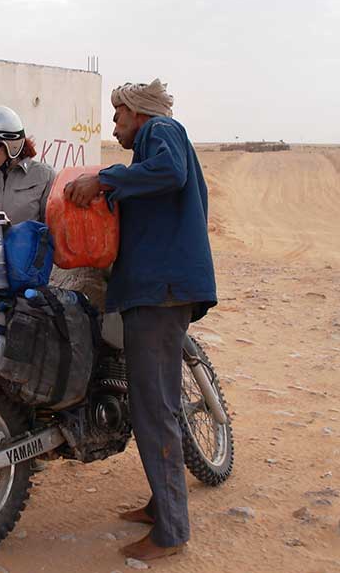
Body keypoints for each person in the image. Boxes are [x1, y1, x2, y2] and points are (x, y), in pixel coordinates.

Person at [64, 80, 217, 561]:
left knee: (156, 410)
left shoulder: (162, 132)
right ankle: (161, 506)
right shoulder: (153, 152)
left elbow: (168, 172)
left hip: (159, 294)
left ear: (135, 112)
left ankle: (172, 533)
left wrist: (104, 180)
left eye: (117, 116)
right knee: (157, 405)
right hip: (159, 290)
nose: (114, 125)